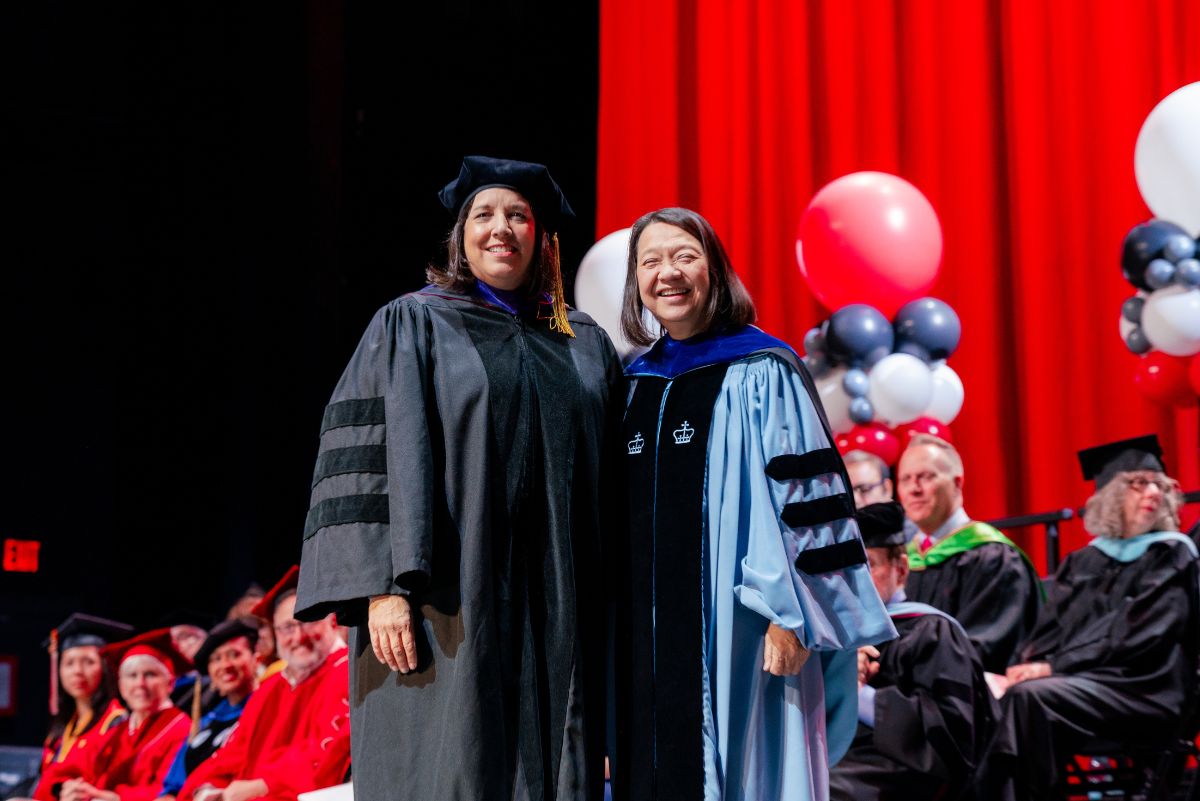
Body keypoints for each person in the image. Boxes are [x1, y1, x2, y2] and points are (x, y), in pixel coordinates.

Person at [292, 156, 620, 801]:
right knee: (450, 766)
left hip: (562, 603)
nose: (501, 229)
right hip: (444, 601)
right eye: (484, 215)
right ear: (460, 236)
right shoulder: (411, 323)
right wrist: (381, 590)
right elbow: (364, 457)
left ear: (543, 239)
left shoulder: (582, 341)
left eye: (519, 216)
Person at [612, 207, 895, 801]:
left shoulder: (764, 369)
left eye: (685, 256)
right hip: (645, 640)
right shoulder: (634, 383)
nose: (667, 273)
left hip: (745, 628)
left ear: (714, 270)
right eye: (650, 261)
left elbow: (807, 501)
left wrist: (794, 617)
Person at [976, 435, 1200, 801]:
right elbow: (1049, 631)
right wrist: (1024, 665)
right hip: (1084, 686)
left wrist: (1053, 668)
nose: (1153, 493)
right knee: (988, 695)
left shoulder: (1172, 555)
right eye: (1139, 483)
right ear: (1111, 494)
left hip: (1143, 689)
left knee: (1030, 699)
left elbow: (1140, 636)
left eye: (1159, 485)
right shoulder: (1083, 561)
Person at [829, 502, 996, 801]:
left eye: (869, 564)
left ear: (902, 569)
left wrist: (857, 693)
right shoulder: (834, 638)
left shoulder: (932, 632)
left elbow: (951, 739)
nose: (857, 579)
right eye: (847, 568)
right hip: (835, 759)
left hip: (898, 771)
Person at [177, 566, 349, 801]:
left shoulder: (346, 672)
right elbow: (231, 755)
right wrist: (206, 789)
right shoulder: (270, 688)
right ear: (276, 633)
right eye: (287, 628)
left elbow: (333, 751)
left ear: (332, 622)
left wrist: (263, 785)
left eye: (308, 621)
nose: (298, 637)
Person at [898, 433, 1041, 673]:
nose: (914, 489)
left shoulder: (991, 557)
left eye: (926, 477)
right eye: (905, 479)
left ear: (957, 483)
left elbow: (985, 646)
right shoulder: (904, 561)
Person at [58, 630, 192, 801]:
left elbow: (169, 792)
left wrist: (113, 797)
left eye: (150, 674)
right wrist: (69, 788)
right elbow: (77, 769)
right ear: (121, 686)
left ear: (170, 683)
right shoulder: (117, 731)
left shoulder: (182, 727)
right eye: (132, 675)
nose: (140, 684)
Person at [25, 614, 133, 801]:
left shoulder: (117, 723)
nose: (77, 671)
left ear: (105, 667)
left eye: (88, 662)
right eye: (69, 663)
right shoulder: (62, 728)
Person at [159, 618, 260, 799]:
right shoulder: (205, 722)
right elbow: (173, 786)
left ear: (256, 659)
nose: (225, 665)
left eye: (234, 654)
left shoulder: (265, 710)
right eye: (216, 659)